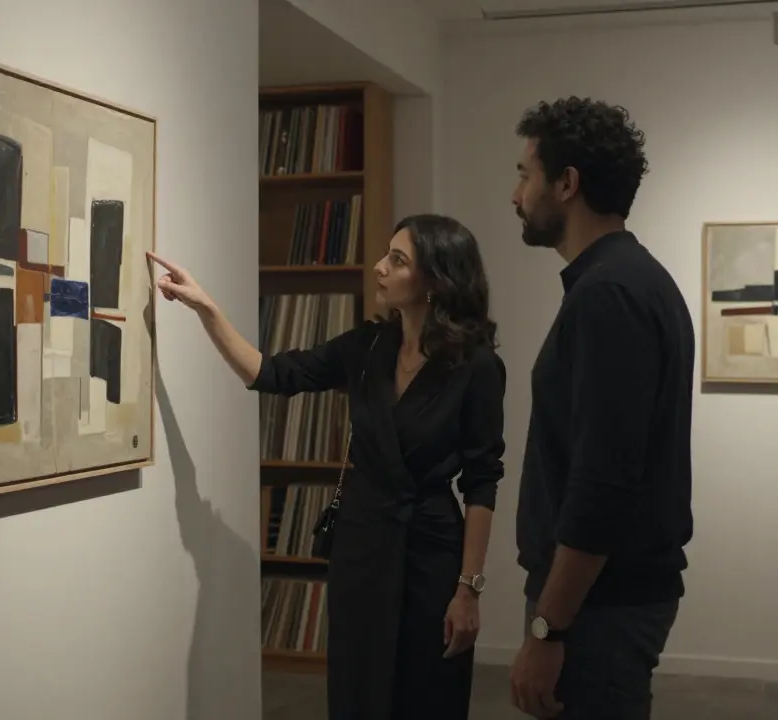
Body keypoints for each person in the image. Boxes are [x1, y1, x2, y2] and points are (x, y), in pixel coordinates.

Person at [148, 213, 507, 720]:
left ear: (434, 281)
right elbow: (270, 373)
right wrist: (205, 307)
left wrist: (468, 589)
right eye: (385, 254)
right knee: (356, 691)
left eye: (397, 260)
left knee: (426, 694)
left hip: (431, 554)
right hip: (360, 548)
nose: (379, 267)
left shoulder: (476, 366)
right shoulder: (368, 346)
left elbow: (482, 480)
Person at [505, 97, 696, 720]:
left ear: (567, 183)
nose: (516, 195)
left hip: (599, 609)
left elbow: (603, 483)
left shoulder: (608, 294)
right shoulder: (633, 280)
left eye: (525, 175)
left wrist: (548, 629)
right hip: (608, 600)